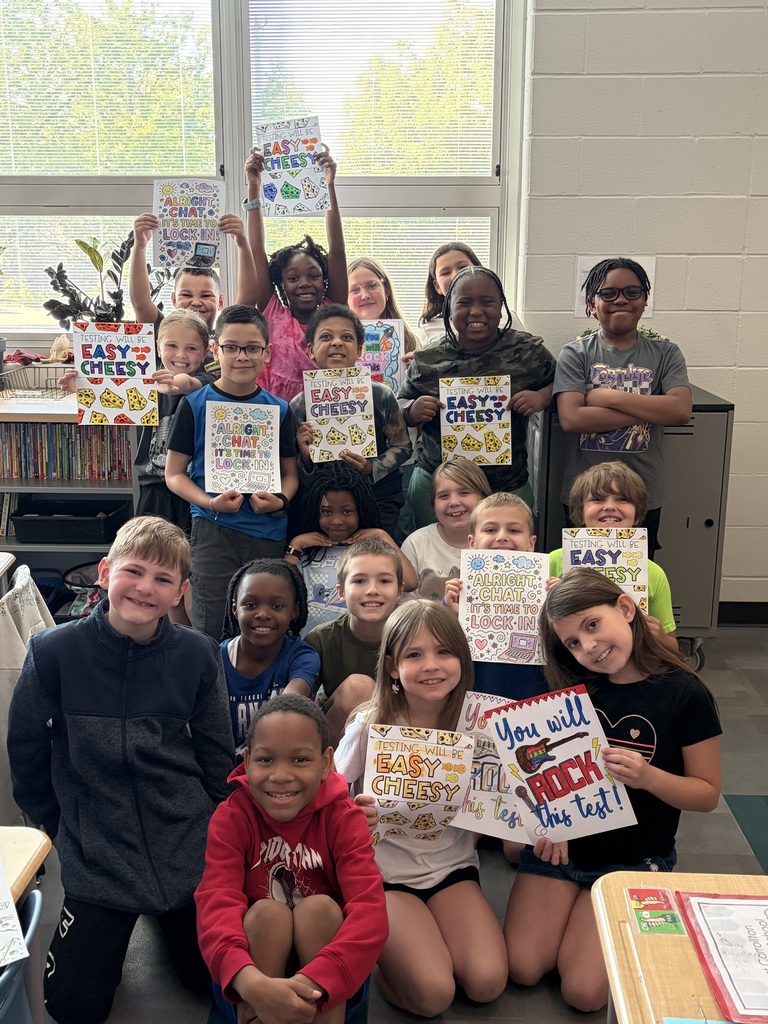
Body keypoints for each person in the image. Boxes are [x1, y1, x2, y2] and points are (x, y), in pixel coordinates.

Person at [7, 516, 235, 1024]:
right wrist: (56, 823)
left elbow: (217, 751)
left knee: (211, 981)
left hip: (184, 846)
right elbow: (25, 745)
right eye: (134, 571)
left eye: (163, 579)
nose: (146, 588)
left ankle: (165, 914)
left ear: (181, 591)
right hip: (98, 852)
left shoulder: (197, 653)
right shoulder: (53, 651)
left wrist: (217, 825)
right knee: (73, 1006)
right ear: (106, 572)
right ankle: (128, 915)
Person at [504, 569, 721, 1012]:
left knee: (584, 992)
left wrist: (648, 777)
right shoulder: (571, 688)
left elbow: (706, 794)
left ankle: (596, 915)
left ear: (625, 608)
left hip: (634, 859)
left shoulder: (686, 693)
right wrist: (546, 825)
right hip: (564, 852)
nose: (589, 647)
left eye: (592, 624)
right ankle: (575, 910)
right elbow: (541, 778)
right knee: (522, 967)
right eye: (572, 642)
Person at [335, 601, 508, 1017]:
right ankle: (378, 963)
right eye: (414, 654)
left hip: (452, 868)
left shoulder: (481, 724)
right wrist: (353, 813)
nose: (431, 665)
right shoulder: (370, 724)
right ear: (393, 667)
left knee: (486, 982)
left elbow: (509, 797)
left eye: (444, 651)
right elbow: (329, 797)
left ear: (462, 659)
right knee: (433, 995)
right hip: (384, 877)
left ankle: (410, 951)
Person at [195, 693, 388, 1024]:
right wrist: (251, 983)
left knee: (320, 909)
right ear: (247, 760)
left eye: (299, 759)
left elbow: (370, 912)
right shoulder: (232, 817)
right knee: (267, 914)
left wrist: (313, 983)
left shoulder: (343, 817)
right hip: (251, 973)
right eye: (266, 760)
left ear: (325, 763)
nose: (280, 775)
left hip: (331, 975)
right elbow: (216, 904)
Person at [165, 304, 299, 638]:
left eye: (252, 348)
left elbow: (290, 474)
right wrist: (209, 502)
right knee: (211, 623)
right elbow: (174, 474)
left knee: (264, 626)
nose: (242, 357)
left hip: (266, 531)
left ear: (267, 353)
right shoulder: (194, 405)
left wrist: (281, 500)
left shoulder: (280, 410)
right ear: (216, 351)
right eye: (232, 348)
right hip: (213, 529)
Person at [553, 257, 692, 558]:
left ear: (644, 301)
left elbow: (680, 411)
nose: (621, 300)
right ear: (592, 304)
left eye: (632, 292)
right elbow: (572, 418)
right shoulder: (576, 354)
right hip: (586, 495)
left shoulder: (666, 353)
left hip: (641, 495)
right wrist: (650, 408)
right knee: (581, 579)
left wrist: (608, 397)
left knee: (634, 578)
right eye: (609, 293)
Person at [399, 265, 556, 529]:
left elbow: (564, 385)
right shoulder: (428, 358)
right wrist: (412, 409)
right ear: (449, 309)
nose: (476, 311)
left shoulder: (528, 352)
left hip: (506, 485)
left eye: (486, 302)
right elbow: (400, 403)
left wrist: (542, 397)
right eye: (464, 303)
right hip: (440, 485)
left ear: (501, 306)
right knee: (435, 551)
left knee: (508, 551)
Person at [290, 303, 412, 534]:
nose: (336, 342)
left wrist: (372, 467)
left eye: (346, 337)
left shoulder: (381, 395)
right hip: (322, 506)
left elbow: (403, 446)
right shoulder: (298, 405)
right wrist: (305, 457)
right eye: (326, 337)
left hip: (378, 498)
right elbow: (292, 467)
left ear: (359, 350)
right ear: (311, 350)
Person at [243, 146, 348, 402]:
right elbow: (256, 250)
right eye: (293, 278)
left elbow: (337, 251)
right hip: (278, 414)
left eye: (313, 276)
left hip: (328, 412)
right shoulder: (272, 313)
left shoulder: (333, 310)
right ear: (280, 284)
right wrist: (254, 187)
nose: (304, 283)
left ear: (325, 281)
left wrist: (328, 186)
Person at [550, 461, 678, 648]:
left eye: (622, 499)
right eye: (598, 499)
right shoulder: (554, 562)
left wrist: (660, 637)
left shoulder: (653, 574)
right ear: (580, 513)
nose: (609, 506)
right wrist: (550, 601)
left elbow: (673, 647)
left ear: (637, 516)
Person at [285, 462, 417, 636]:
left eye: (347, 512)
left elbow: (410, 582)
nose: (336, 521)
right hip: (311, 643)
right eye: (326, 512)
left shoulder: (372, 549)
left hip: (361, 643)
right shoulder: (306, 549)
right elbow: (283, 590)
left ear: (361, 511)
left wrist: (382, 535)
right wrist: (295, 545)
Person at [444, 492, 547, 703]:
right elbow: (441, 644)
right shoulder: (459, 594)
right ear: (472, 542)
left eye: (514, 530)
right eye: (490, 530)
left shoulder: (547, 589)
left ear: (531, 543)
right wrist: (449, 611)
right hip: (474, 698)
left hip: (534, 698)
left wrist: (558, 606)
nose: (502, 537)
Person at [304, 537, 404, 747]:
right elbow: (299, 704)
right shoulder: (321, 638)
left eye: (384, 581)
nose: (372, 590)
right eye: (359, 581)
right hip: (337, 737)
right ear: (341, 592)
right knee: (359, 687)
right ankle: (330, 765)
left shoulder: (413, 636)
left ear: (400, 591)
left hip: (399, 735)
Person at [221, 559, 320, 752]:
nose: (263, 614)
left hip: (279, 757)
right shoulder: (216, 659)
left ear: (294, 611)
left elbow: (288, 706)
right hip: (223, 762)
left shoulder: (302, 656)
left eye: (277, 606)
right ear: (235, 609)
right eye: (250, 605)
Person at [129, 212, 259, 332]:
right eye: (186, 295)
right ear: (174, 299)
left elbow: (247, 299)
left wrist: (242, 244)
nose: (196, 302)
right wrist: (140, 245)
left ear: (220, 302)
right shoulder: (164, 332)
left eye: (206, 296)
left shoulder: (225, 335)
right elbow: (141, 304)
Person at [401, 458, 491, 602]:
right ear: (433, 506)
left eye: (464, 493)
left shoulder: (498, 543)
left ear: (483, 499)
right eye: (443, 496)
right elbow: (406, 607)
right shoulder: (416, 544)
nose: (454, 502)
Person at [417, 242, 524, 347]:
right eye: (446, 273)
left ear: (478, 271)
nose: (456, 275)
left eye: (462, 267)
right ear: (437, 286)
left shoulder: (506, 318)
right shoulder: (429, 330)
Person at [347, 256, 419, 353]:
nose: (365, 296)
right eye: (355, 290)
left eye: (372, 286)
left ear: (387, 290)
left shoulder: (409, 341)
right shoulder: (337, 343)